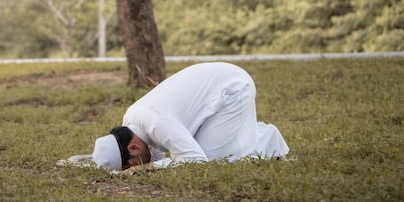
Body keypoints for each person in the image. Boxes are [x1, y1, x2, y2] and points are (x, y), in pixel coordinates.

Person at [92, 62, 289, 173]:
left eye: (129, 165)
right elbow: (157, 154)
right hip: (218, 85)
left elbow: (196, 159)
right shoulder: (131, 119)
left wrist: (142, 170)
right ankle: (253, 136)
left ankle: (268, 138)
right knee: (183, 156)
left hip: (234, 86)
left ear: (133, 147)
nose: (131, 169)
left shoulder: (156, 122)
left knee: (215, 160)